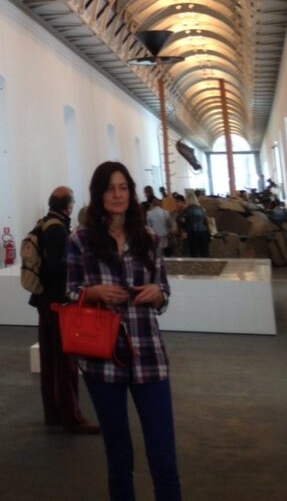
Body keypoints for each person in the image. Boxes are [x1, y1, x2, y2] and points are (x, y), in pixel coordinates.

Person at [66, 161, 181, 501]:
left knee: (163, 456)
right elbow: (69, 292)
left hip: (149, 355)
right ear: (98, 194)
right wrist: (92, 293)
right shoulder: (80, 240)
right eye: (109, 188)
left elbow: (164, 293)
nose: (117, 195)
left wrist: (158, 294)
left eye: (123, 188)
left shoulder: (149, 238)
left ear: (131, 193)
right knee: (118, 456)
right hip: (102, 358)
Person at [27, 187, 99, 434]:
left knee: (50, 362)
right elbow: (59, 268)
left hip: (45, 302)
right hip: (58, 305)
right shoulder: (58, 229)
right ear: (68, 205)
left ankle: (54, 414)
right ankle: (71, 417)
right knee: (65, 362)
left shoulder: (45, 223)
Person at [179, 190, 210, 257]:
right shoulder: (201, 209)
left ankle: (196, 266)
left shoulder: (187, 210)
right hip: (203, 232)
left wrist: (184, 230)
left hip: (192, 233)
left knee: (194, 253)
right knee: (204, 252)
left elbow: (181, 221)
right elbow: (205, 221)